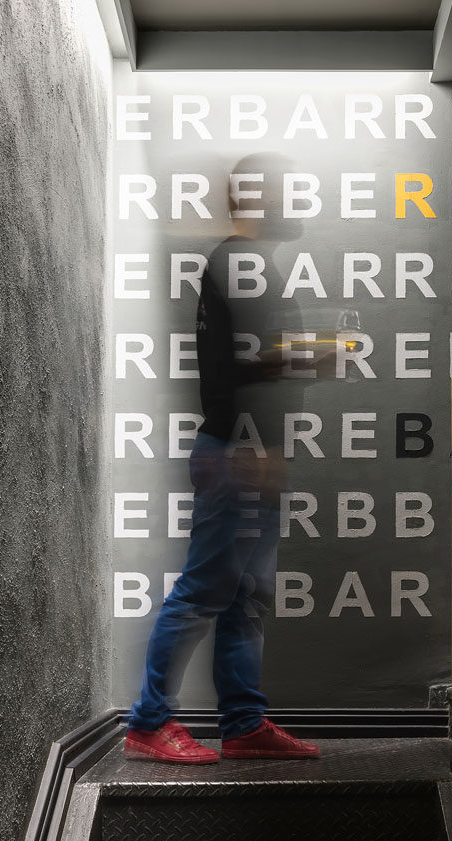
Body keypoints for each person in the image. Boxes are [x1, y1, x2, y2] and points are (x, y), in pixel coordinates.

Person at [124, 155, 320, 765]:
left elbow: (251, 359)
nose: (294, 201)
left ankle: (242, 723)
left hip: (250, 452)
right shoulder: (238, 261)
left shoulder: (248, 263)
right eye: (286, 190)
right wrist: (256, 442)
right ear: (256, 195)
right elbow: (225, 371)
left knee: (246, 596)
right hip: (236, 453)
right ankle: (148, 723)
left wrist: (293, 361)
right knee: (206, 588)